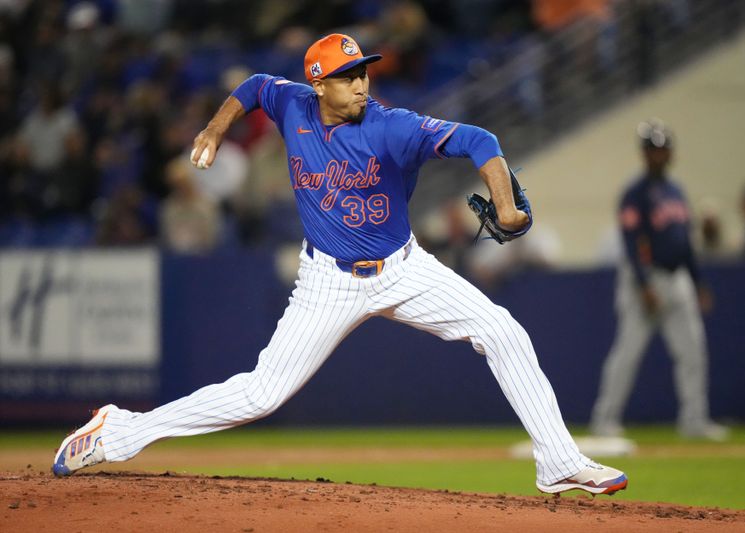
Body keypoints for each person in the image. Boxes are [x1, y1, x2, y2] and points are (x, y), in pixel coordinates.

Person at [53, 33, 627, 496]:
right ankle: (121, 429)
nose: (361, 82)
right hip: (327, 280)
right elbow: (253, 86)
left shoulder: (390, 125)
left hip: (405, 270)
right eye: (348, 75)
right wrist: (213, 127)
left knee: (503, 330)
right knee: (260, 395)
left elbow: (480, 138)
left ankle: (557, 462)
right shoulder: (291, 104)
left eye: (364, 71)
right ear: (318, 84)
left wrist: (504, 204)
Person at [590, 119, 728, 441]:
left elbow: (684, 243)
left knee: (693, 351)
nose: (659, 155)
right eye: (653, 149)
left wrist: (698, 282)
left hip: (677, 278)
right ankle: (605, 420)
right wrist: (643, 283)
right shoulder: (635, 193)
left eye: (663, 149)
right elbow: (631, 240)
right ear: (644, 154)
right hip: (645, 280)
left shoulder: (675, 190)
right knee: (628, 353)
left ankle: (695, 421)